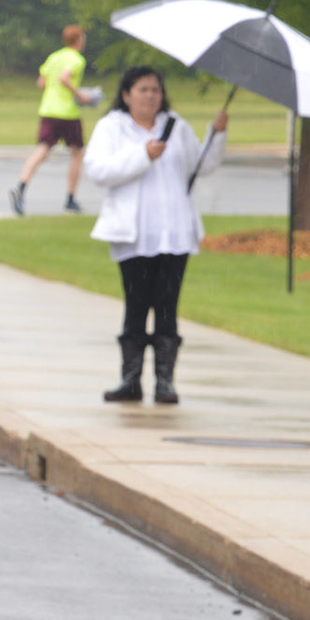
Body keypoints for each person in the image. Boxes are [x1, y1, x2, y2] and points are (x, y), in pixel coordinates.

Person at [82, 66, 228, 404]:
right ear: (126, 94)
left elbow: (201, 165)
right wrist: (142, 155)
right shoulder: (112, 127)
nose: (150, 96)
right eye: (143, 89)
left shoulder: (175, 125)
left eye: (156, 90)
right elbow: (99, 170)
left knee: (167, 307)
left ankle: (165, 382)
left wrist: (217, 134)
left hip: (174, 234)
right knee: (136, 305)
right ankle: (130, 379)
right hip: (134, 235)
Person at [10, 24, 97, 215]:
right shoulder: (76, 59)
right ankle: (71, 198)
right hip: (67, 112)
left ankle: (21, 186)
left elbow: (41, 82)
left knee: (42, 150)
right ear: (79, 39)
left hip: (48, 110)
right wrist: (80, 95)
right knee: (77, 153)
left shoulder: (54, 57)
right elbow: (64, 78)